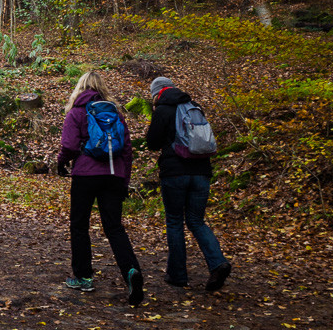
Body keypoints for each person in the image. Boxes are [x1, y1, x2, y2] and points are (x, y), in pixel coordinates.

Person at [57, 69, 144, 305]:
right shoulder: (116, 114)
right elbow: (127, 150)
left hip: (85, 175)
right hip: (114, 175)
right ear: (102, 88)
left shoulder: (76, 112)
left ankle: (84, 277)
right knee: (114, 227)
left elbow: (69, 145)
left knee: (79, 225)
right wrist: (124, 180)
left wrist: (61, 163)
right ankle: (131, 272)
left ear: (81, 87)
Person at [145, 76, 232, 292]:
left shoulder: (163, 110)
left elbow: (152, 143)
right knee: (196, 220)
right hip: (202, 172)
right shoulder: (194, 106)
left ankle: (177, 275)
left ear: (158, 93)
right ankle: (218, 263)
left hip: (174, 173)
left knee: (175, 221)